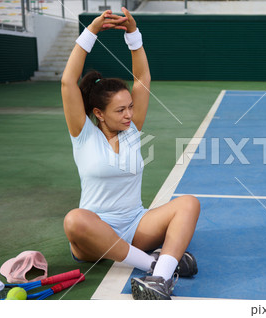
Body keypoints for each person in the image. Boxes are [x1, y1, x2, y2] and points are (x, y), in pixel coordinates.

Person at [61, 8, 200, 300]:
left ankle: (159, 278)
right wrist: (92, 31)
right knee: (74, 220)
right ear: (98, 113)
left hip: (136, 225)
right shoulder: (83, 134)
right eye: (120, 110)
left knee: (188, 203)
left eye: (131, 107)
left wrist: (132, 34)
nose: (129, 114)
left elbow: (142, 77)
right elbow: (67, 82)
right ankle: (154, 263)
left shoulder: (132, 130)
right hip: (94, 235)